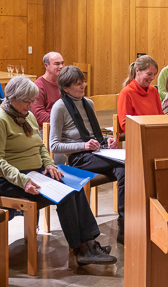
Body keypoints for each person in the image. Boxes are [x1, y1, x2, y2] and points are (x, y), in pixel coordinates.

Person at [0, 76, 116, 265]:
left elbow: (41, 147)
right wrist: (23, 180)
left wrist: (49, 164)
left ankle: (89, 243)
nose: (30, 106)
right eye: (26, 101)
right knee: (65, 195)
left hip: (36, 172)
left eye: (32, 101)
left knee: (75, 187)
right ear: (11, 97)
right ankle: (81, 249)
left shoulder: (27, 115)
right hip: (8, 180)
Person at [49, 66, 126, 245]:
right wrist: (83, 145)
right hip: (77, 158)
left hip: (96, 153)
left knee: (124, 171)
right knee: (123, 165)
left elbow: (94, 135)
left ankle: (124, 224)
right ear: (66, 88)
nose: (82, 86)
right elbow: (54, 145)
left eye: (82, 82)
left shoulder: (88, 103)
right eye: (77, 84)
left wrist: (107, 142)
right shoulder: (59, 107)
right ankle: (122, 225)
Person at [117, 55, 163, 133]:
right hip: (139, 136)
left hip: (155, 133)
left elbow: (161, 116)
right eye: (149, 74)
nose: (153, 78)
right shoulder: (126, 93)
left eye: (154, 74)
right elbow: (126, 125)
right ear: (137, 71)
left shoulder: (153, 91)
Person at [31, 52, 65, 133]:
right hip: (47, 129)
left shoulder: (65, 83)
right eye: (57, 64)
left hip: (64, 125)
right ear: (46, 66)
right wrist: (62, 123)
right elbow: (39, 115)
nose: (61, 66)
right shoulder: (38, 86)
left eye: (62, 63)